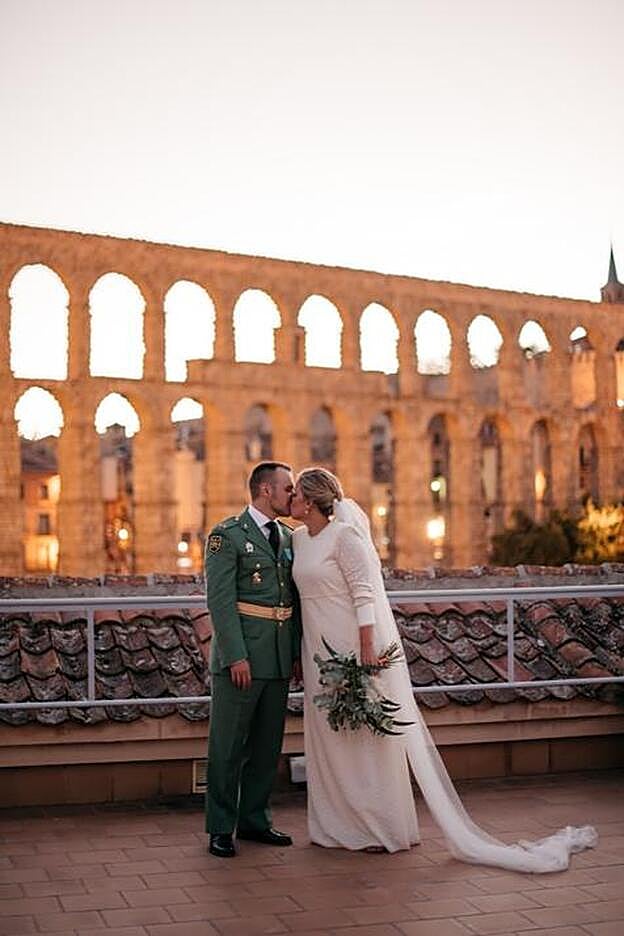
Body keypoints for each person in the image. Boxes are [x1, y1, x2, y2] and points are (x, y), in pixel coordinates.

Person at [290, 466, 598, 870]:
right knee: (330, 736)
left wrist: (365, 650)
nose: (290, 498)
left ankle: (378, 828)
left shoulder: (345, 536)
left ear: (310, 500)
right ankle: (336, 826)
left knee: (367, 736)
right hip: (316, 648)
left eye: (295, 493)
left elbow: (364, 594)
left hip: (351, 644)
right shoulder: (297, 539)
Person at [204, 461, 301, 858]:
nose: (292, 494)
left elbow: (294, 600)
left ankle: (255, 820)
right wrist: (235, 656)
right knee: (227, 746)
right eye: (287, 488)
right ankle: (220, 828)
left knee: (266, 746)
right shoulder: (226, 535)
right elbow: (220, 601)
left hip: (277, 656)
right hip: (243, 656)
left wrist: (294, 652)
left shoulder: (288, 536)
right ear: (265, 490)